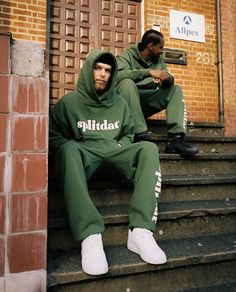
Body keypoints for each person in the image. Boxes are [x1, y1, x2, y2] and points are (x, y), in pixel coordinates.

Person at [49, 49, 167, 276]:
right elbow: (55, 137)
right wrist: (74, 147)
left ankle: (140, 231)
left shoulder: (120, 104)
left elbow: (127, 132)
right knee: (67, 149)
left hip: (115, 154)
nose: (103, 74)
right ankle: (90, 235)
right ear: (88, 70)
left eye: (107, 70)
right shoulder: (68, 103)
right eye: (98, 68)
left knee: (148, 148)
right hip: (83, 155)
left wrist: (122, 145)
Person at [116, 29, 198, 158]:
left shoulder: (158, 60)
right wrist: (148, 72)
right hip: (128, 104)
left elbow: (167, 78)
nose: (162, 51)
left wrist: (166, 79)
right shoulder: (128, 55)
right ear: (151, 46)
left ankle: (175, 139)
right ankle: (139, 134)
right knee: (127, 83)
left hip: (146, 102)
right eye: (161, 47)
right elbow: (117, 75)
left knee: (175, 89)